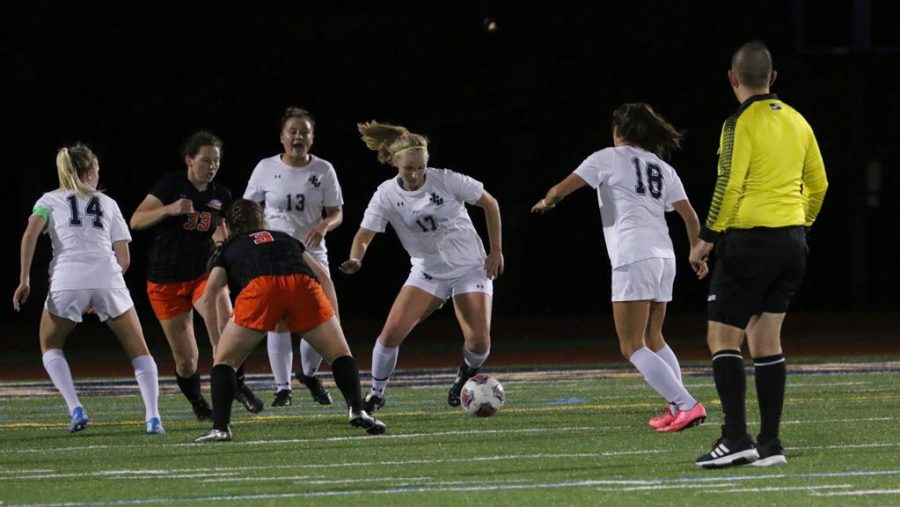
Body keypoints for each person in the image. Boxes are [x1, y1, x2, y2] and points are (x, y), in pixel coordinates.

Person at [690, 41, 828, 468]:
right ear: (772, 77)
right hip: (792, 242)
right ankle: (769, 444)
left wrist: (706, 239)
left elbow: (729, 184)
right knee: (765, 340)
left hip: (750, 240)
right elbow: (819, 184)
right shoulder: (799, 121)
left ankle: (736, 438)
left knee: (722, 338)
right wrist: (799, 224)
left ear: (733, 79)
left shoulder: (739, 123)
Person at [532, 103, 708, 432]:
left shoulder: (607, 157)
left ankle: (687, 404)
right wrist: (696, 250)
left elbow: (560, 190)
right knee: (654, 337)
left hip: (633, 254)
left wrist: (547, 201)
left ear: (619, 132)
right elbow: (690, 216)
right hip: (664, 256)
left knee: (631, 346)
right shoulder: (663, 167)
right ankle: (677, 406)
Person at [341, 121, 504, 413]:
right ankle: (376, 394)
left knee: (479, 341)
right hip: (427, 272)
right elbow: (363, 236)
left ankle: (464, 374)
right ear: (395, 163)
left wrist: (496, 250)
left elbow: (490, 203)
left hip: (469, 268)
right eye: (409, 169)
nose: (416, 174)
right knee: (390, 335)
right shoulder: (386, 194)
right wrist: (357, 258)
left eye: (421, 168)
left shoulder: (447, 180)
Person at [194, 199, 385, 442]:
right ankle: (357, 409)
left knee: (225, 362)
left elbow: (211, 295)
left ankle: (221, 428)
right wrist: (334, 319)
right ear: (262, 221)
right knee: (340, 354)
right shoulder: (284, 238)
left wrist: (215, 340)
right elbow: (323, 278)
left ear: (230, 227)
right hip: (302, 285)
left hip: (262, 288)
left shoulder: (230, 247)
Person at [13, 144, 163, 434]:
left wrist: (24, 279)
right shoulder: (108, 203)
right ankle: (153, 417)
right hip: (108, 276)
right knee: (139, 351)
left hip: (68, 279)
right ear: (90, 170)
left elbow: (30, 233)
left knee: (50, 345)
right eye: (97, 169)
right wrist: (101, 288)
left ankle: (76, 408)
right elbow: (124, 259)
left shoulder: (49, 200)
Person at [130, 131, 264, 419]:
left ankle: (238, 385)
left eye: (216, 161)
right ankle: (198, 403)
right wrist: (168, 209)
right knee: (187, 361)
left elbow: (218, 227)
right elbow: (136, 220)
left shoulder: (221, 194)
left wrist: (221, 242)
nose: (212, 166)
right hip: (165, 280)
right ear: (189, 160)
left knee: (227, 330)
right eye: (206, 160)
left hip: (203, 276)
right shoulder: (171, 185)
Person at [244, 107, 343, 407]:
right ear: (282, 137)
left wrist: (324, 225)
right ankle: (282, 388)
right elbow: (249, 209)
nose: (298, 136)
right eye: (293, 131)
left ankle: (309, 374)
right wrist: (261, 233)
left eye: (304, 131)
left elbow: (337, 212)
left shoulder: (323, 170)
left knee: (321, 315)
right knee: (279, 320)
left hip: (312, 254)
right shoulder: (264, 168)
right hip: (275, 255)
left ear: (312, 138)